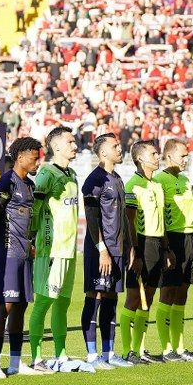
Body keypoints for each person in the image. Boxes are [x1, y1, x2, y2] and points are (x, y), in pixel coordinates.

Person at [0, 137, 44, 378]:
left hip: (23, 254)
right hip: (7, 252)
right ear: (20, 156)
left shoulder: (29, 186)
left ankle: (16, 362)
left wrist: (30, 243)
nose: (37, 162)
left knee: (20, 306)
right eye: (34, 157)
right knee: (6, 306)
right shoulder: (7, 182)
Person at [29, 126, 81, 371]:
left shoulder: (72, 174)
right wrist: (33, 240)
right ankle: (36, 357)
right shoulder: (46, 174)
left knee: (63, 303)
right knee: (43, 302)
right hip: (51, 250)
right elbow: (35, 210)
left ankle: (61, 354)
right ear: (56, 146)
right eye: (70, 142)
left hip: (69, 250)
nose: (75, 145)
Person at [81, 133, 134, 369]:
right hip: (100, 249)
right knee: (95, 296)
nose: (119, 149)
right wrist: (102, 249)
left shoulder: (118, 179)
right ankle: (92, 356)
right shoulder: (94, 180)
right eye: (115, 146)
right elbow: (92, 219)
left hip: (118, 248)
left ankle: (109, 353)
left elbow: (122, 217)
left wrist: (129, 246)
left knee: (112, 298)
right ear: (103, 153)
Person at [120, 140, 173, 364]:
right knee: (134, 298)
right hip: (141, 244)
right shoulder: (133, 185)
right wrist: (136, 252)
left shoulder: (157, 185)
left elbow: (161, 220)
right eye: (153, 153)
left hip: (157, 245)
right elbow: (129, 222)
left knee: (148, 299)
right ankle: (127, 351)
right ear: (141, 158)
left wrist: (167, 248)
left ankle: (140, 349)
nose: (158, 156)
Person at [154, 139, 193, 361]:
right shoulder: (159, 180)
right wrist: (165, 247)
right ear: (169, 156)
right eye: (182, 155)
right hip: (171, 239)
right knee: (168, 293)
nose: (186, 160)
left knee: (182, 294)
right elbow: (159, 214)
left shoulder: (185, 179)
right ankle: (166, 348)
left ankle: (180, 348)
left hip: (189, 239)